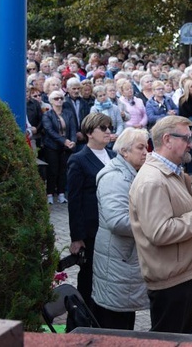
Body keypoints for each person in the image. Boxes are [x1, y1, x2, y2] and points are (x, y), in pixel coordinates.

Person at [128, 116, 192, 334]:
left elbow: (183, 214)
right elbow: (159, 232)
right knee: (168, 340)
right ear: (167, 140)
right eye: (187, 138)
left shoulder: (174, 172)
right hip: (170, 280)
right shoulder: (153, 180)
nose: (191, 144)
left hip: (183, 273)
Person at [92, 128, 150, 330]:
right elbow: (116, 221)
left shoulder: (131, 173)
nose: (146, 152)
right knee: (116, 327)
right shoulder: (115, 178)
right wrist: (154, 225)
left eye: (146, 147)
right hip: (117, 261)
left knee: (125, 322)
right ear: (124, 152)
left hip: (123, 261)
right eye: (140, 147)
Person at [67, 113, 117, 314]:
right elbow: (74, 200)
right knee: (88, 276)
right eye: (103, 128)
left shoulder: (114, 156)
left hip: (113, 227)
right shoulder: (78, 160)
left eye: (109, 128)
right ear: (89, 133)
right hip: (91, 229)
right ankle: (82, 316)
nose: (108, 132)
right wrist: (77, 237)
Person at [41, 90, 77, 204]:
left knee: (63, 170)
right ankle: (50, 194)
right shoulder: (47, 115)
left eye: (61, 98)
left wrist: (73, 141)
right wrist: (64, 141)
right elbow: (49, 131)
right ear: (51, 101)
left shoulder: (68, 113)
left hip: (66, 147)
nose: (59, 100)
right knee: (52, 170)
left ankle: (61, 194)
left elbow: (72, 129)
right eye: (56, 99)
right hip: (52, 146)